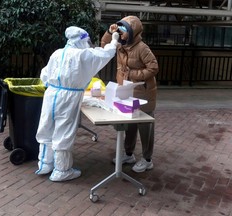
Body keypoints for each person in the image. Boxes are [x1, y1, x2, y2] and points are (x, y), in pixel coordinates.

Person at [35, 26, 119, 182]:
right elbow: (104, 54)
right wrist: (113, 42)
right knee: (64, 130)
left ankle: (45, 163)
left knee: (47, 127)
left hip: (51, 93)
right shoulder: (83, 55)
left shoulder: (57, 53)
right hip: (69, 96)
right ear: (82, 40)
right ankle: (61, 170)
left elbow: (44, 74)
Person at [101, 16, 159, 173]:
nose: (120, 33)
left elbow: (153, 68)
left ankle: (147, 160)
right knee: (129, 125)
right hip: (126, 91)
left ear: (133, 32)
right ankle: (128, 154)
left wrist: (133, 74)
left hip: (143, 92)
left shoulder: (142, 48)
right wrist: (109, 31)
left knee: (145, 126)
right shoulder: (120, 45)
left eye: (124, 30)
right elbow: (104, 45)